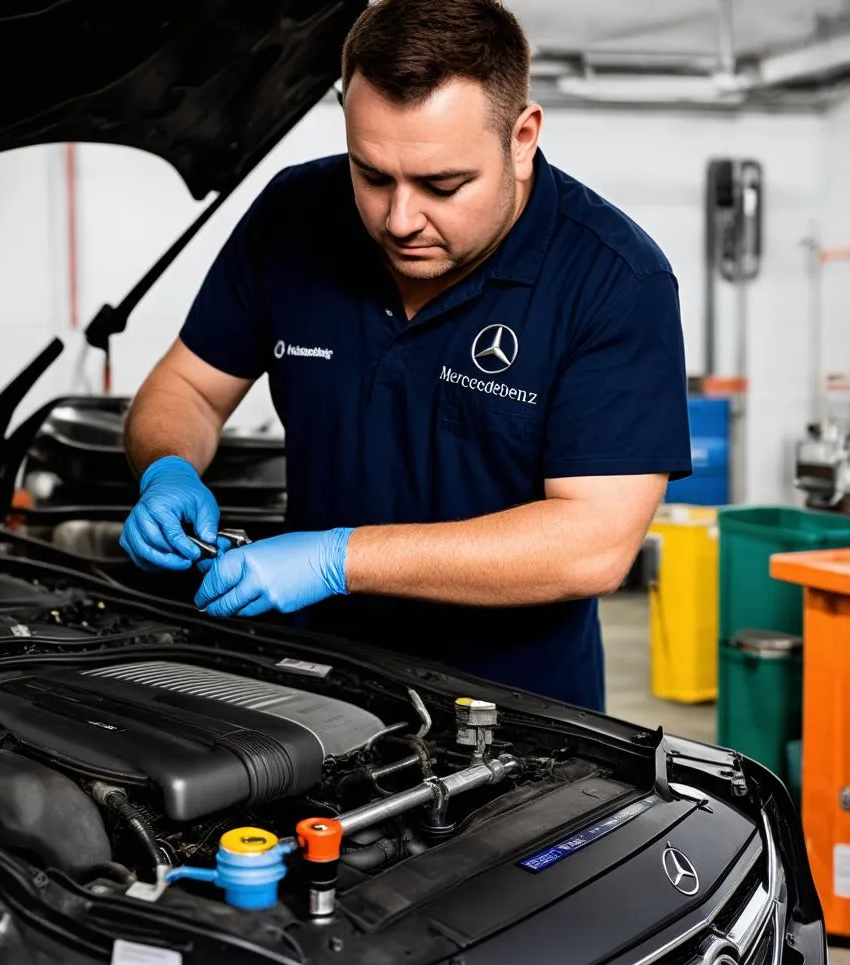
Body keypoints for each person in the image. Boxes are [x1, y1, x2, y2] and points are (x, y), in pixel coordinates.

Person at [119, 0, 691, 712]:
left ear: (522, 138)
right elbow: (189, 389)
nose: (400, 219)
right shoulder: (294, 217)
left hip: (515, 719)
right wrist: (168, 470)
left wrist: (337, 560)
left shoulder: (613, 279)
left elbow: (593, 541)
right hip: (314, 688)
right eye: (373, 176)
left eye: (443, 185)